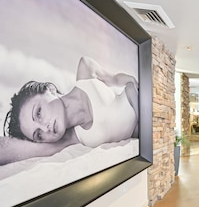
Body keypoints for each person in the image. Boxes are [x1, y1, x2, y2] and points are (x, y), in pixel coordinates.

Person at [0, 56, 138, 166]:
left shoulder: (85, 71)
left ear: (50, 90)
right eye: (38, 135)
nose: (45, 128)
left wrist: (130, 79)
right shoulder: (72, 138)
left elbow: (113, 78)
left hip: (137, 97)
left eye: (39, 113)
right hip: (142, 130)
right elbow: (10, 149)